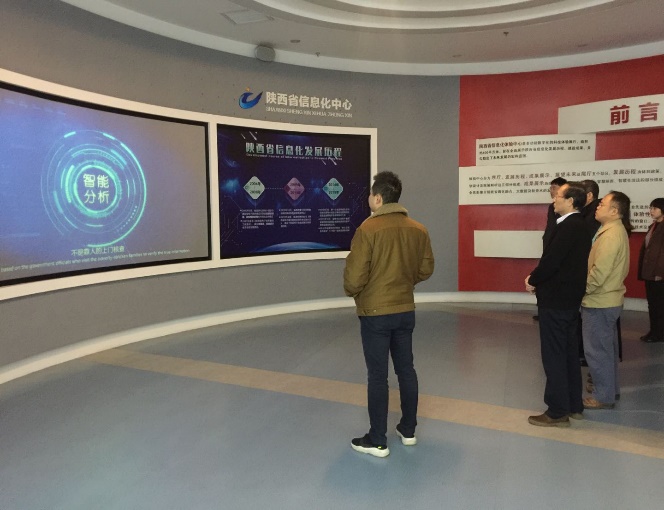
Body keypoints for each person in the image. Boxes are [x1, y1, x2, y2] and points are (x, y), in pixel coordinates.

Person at [344, 171, 434, 457]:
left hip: (375, 313)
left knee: (378, 376)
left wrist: (357, 292)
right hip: (405, 309)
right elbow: (426, 269)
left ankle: (377, 440)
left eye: (371, 195)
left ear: (379, 198)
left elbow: (353, 279)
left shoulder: (367, 230)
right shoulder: (418, 229)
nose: (369, 199)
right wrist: (404, 283)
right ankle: (408, 430)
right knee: (406, 369)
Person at [524, 182, 591, 427]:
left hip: (556, 300)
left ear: (571, 201)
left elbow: (552, 261)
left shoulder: (569, 226)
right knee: (568, 354)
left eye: (559, 196)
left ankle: (557, 411)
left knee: (554, 355)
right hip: (568, 300)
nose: (554, 199)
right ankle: (573, 405)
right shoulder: (579, 225)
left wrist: (533, 279)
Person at [581, 191, 632, 410]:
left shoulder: (611, 235)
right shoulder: (613, 230)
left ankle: (602, 396)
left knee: (597, 351)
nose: (598, 207)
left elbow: (599, 274)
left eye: (602, 204)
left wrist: (581, 292)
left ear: (614, 211)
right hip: (607, 299)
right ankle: (610, 391)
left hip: (599, 301)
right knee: (606, 350)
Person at [533, 176, 568, 322]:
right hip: (548, 247)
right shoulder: (551, 207)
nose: (551, 191)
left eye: (554, 188)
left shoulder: (565, 210)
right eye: (551, 188)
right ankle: (542, 309)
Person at [638, 197, 664, 343]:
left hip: (659, 274)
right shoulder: (653, 226)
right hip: (650, 272)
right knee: (652, 303)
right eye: (651, 208)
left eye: (655, 208)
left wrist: (660, 272)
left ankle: (659, 333)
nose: (651, 211)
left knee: (659, 304)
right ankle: (654, 331)